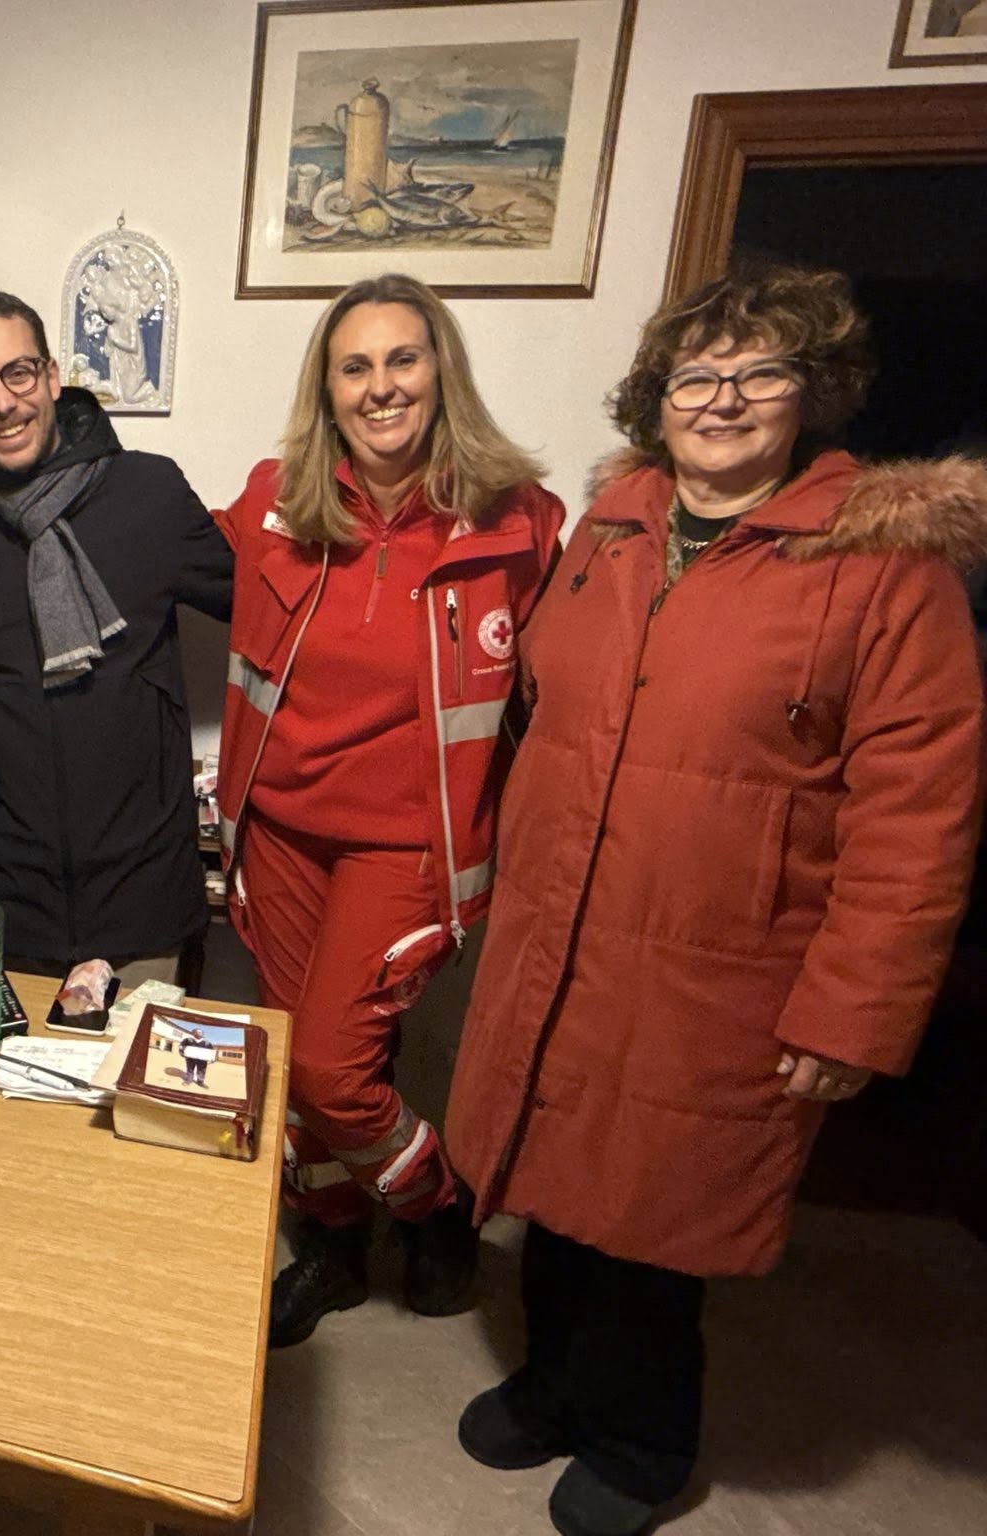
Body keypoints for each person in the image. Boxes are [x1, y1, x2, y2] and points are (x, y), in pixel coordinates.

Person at [446, 265, 986, 1536]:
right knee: (551, 1178)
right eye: (695, 375)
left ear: (813, 390)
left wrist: (850, 1013)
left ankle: (640, 1442)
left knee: (653, 1216)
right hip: (564, 926)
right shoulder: (613, 527)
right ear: (657, 397)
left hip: (721, 959)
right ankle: (550, 1389)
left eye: (759, 372)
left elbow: (919, 812)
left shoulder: (881, 563)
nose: (722, 399)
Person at [212, 273, 564, 1349]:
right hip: (278, 830)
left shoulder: (517, 521)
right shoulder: (272, 501)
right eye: (354, 367)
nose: (380, 387)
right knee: (290, 1058)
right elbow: (158, 547)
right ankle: (331, 1241)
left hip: (409, 845)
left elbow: (574, 688)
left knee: (331, 1066)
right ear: (326, 390)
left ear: (439, 370)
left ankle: (433, 1204)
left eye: (401, 359)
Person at [0, 289, 232, 981]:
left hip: (145, 890)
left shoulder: (150, 492)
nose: (3, 403)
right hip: (4, 900)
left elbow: (275, 615)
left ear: (53, 377)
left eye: (18, 373)